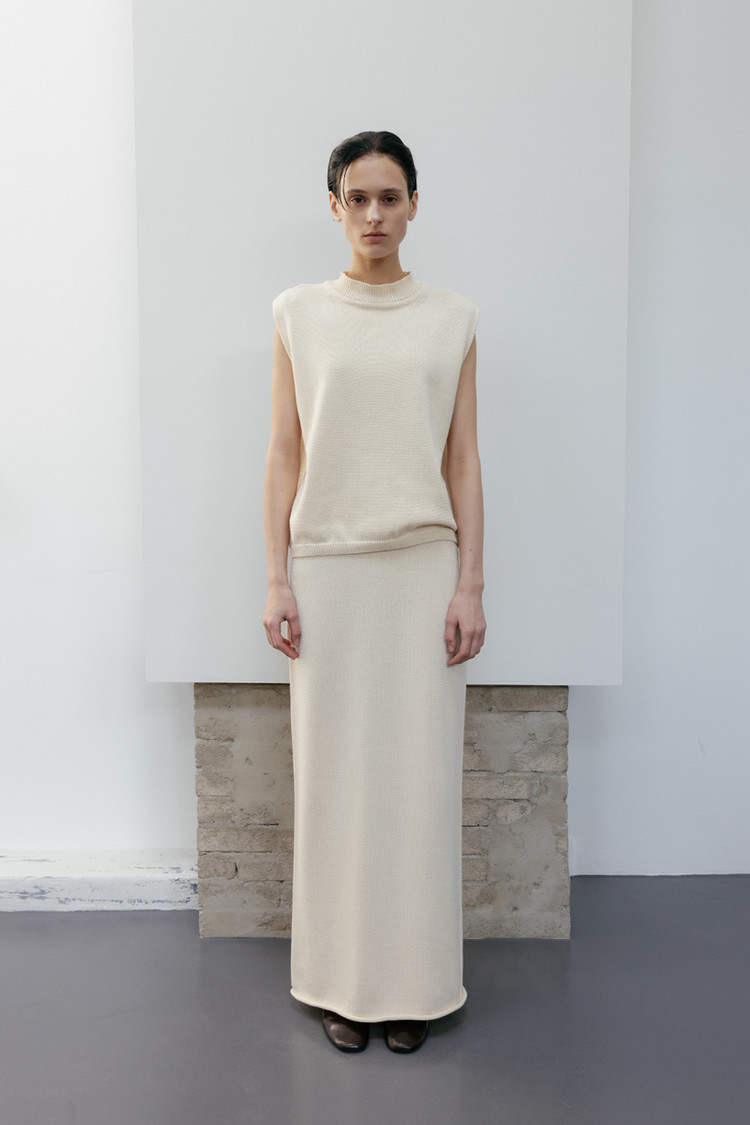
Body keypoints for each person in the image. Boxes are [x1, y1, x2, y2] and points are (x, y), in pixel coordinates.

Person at [262, 130, 486, 1054]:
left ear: (414, 204)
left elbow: (463, 459)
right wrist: (275, 574)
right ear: (334, 207)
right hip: (327, 571)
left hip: (422, 570)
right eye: (357, 198)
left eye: (390, 197)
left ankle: (414, 987)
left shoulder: (454, 319)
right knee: (336, 784)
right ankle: (341, 985)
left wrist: (470, 582)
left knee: (417, 784)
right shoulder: (298, 314)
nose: (374, 215)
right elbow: (284, 452)